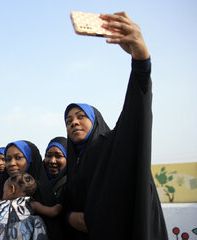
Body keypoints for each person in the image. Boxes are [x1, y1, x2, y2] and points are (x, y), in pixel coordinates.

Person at [63, 12, 167, 240]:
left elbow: (136, 115)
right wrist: (70, 216)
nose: (74, 122)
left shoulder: (111, 145)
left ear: (96, 120)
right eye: (68, 120)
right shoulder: (74, 162)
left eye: (81, 116)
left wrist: (141, 62)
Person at [4, 140, 63, 239]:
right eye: (8, 159)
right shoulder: (5, 187)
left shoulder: (40, 191)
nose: (11, 163)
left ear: (30, 159)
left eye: (18, 158)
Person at [0, 173, 48, 240]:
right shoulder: (35, 221)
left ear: (12, 189)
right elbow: (52, 211)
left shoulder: (2, 207)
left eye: (4, 191)